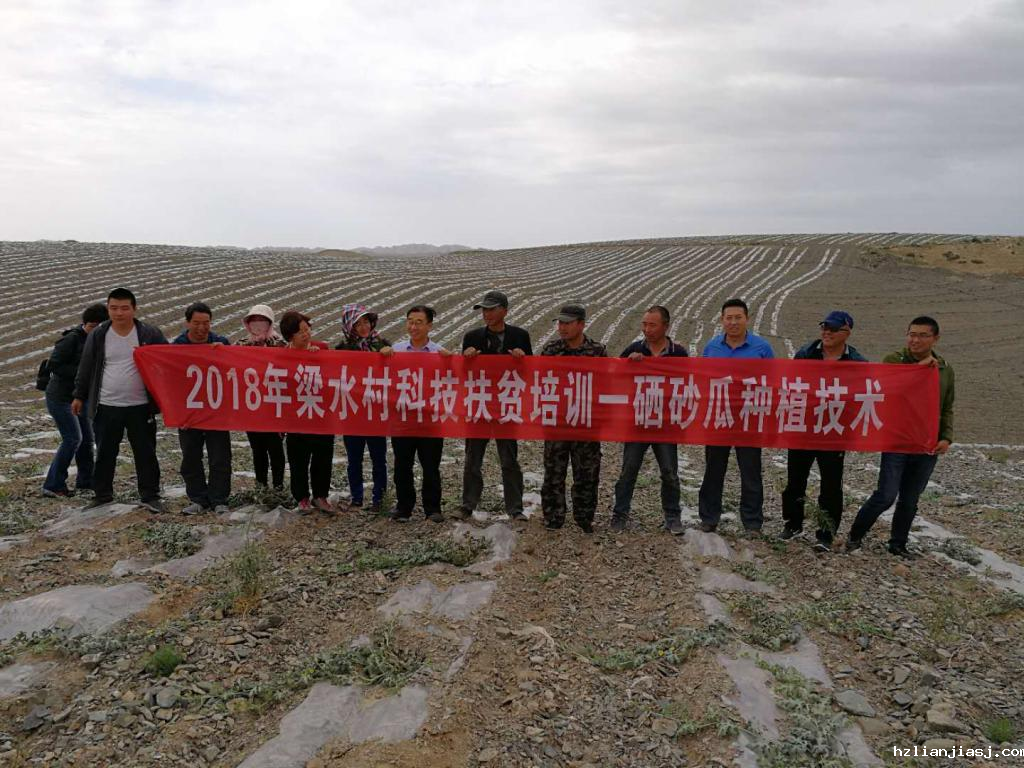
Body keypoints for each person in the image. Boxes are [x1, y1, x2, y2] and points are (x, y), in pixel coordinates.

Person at [846, 316, 955, 559]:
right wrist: (921, 369)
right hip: (897, 440)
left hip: (926, 443)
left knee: (910, 499)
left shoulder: (944, 369)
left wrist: (946, 437)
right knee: (885, 495)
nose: (915, 340)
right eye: (912, 334)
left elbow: (947, 407)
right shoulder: (894, 361)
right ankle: (855, 536)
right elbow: (891, 389)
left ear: (935, 338)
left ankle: (898, 544)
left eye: (923, 335)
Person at [72, 287, 168, 512]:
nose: (119, 313)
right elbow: (86, 366)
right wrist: (79, 395)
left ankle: (150, 495)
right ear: (108, 309)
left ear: (134, 309)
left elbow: (167, 359)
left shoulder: (149, 333)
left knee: (145, 453)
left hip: (140, 406)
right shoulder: (99, 334)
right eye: (114, 308)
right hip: (107, 404)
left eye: (124, 308)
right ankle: (102, 494)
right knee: (105, 452)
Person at [779, 311, 867, 551]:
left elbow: (863, 396)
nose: (827, 332)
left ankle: (826, 533)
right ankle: (792, 524)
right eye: (824, 327)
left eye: (833, 329)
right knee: (795, 481)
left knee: (831, 485)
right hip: (803, 428)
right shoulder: (805, 354)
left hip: (834, 431)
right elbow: (791, 384)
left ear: (847, 332)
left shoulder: (857, 362)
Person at [697, 298, 774, 534]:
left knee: (750, 471)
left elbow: (773, 381)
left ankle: (752, 522)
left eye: (737, 318)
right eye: (728, 318)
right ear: (722, 320)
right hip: (719, 417)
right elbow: (702, 380)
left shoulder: (762, 348)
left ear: (747, 319)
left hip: (749, 418)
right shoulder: (712, 348)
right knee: (713, 470)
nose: (733, 322)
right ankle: (709, 517)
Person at [610, 305, 689, 534]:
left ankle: (672, 516)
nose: (647, 329)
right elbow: (613, 375)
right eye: (644, 324)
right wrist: (627, 364)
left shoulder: (678, 353)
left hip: (665, 423)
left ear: (666, 326)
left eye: (652, 325)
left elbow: (689, 383)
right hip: (638, 421)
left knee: (669, 472)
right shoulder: (634, 349)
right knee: (629, 470)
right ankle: (620, 514)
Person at [455, 290, 532, 520]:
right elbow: (463, 374)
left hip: (506, 406)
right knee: (472, 459)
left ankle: (515, 508)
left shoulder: (520, 336)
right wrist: (466, 357)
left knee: (509, 460)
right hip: (479, 405)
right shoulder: (472, 337)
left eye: (491, 309)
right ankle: (467, 504)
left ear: (504, 311)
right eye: (484, 310)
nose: (486, 314)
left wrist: (522, 359)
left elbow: (530, 373)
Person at [540, 304, 606, 533]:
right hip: (558, 422)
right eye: (560, 323)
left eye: (567, 323)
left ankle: (584, 517)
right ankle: (553, 517)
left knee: (587, 473)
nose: (562, 327)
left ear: (581, 324)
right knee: (553, 472)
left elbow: (605, 386)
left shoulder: (597, 351)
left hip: (585, 423)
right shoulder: (551, 350)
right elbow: (540, 382)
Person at [41, 303, 109, 498]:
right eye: (92, 326)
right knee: (73, 438)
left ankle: (86, 481)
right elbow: (53, 365)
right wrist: (82, 374)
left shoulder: (100, 342)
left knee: (87, 440)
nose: (95, 331)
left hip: (80, 397)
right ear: (86, 324)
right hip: (60, 397)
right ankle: (53, 484)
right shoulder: (71, 339)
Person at [390, 305, 450, 523]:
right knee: (402, 466)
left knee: (430, 466)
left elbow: (452, 381)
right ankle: (404, 507)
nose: (413, 327)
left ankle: (432, 508)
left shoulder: (439, 353)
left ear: (429, 326)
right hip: (403, 418)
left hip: (429, 420)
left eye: (419, 322)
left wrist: (451, 362)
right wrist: (382, 356)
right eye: (410, 321)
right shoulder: (396, 350)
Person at [172, 302, 233, 515]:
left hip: (216, 409)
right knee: (191, 455)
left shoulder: (220, 342)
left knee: (220, 457)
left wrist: (223, 354)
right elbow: (170, 379)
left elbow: (233, 371)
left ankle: (219, 499)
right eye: (196, 323)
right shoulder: (178, 346)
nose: (201, 328)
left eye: (206, 323)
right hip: (189, 411)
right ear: (187, 323)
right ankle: (198, 498)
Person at [335, 303, 393, 514]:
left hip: (375, 410)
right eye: (357, 324)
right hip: (353, 411)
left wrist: (388, 354)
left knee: (379, 458)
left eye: (366, 322)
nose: (363, 327)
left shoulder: (383, 346)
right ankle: (357, 498)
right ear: (349, 327)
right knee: (354, 459)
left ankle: (379, 499)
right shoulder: (342, 350)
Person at [280, 310, 335, 514]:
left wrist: (318, 358)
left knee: (323, 456)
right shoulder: (281, 355)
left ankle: (320, 496)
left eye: (307, 329)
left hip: (320, 413)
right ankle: (302, 497)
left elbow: (334, 375)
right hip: (296, 415)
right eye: (300, 332)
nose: (306, 334)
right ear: (290, 336)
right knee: (298, 459)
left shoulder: (322, 349)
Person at [237, 304, 287, 495]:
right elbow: (227, 363)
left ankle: (278, 487)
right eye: (254, 321)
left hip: (274, 404)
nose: (258, 324)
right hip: (252, 405)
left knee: (275, 448)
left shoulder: (280, 344)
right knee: (258, 449)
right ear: (248, 323)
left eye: (262, 321)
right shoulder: (241, 344)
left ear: (270, 323)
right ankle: (261, 486)